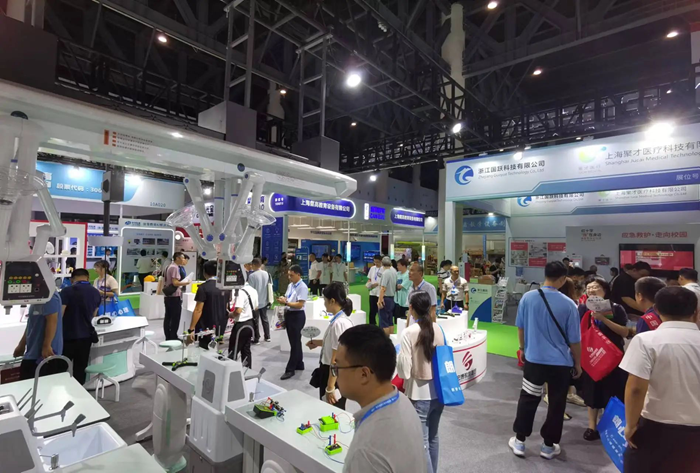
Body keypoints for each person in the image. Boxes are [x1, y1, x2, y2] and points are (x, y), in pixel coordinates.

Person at [620, 286, 700, 473]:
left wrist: (630, 426)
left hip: (656, 428)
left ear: (656, 310)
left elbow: (636, 389)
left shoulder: (646, 340)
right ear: (695, 312)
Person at [510, 261, 582, 460]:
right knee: (557, 404)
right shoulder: (569, 304)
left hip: (534, 360)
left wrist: (522, 349)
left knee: (528, 398)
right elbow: (575, 340)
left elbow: (521, 327)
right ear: (563, 279)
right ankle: (548, 446)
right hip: (561, 364)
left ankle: (520, 441)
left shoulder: (528, 298)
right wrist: (578, 363)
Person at [337, 325, 427, 473]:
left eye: (338, 367)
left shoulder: (366, 453)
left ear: (364, 374)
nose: (336, 374)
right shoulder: (402, 400)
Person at [397, 292, 446, 473]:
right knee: (433, 437)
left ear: (411, 308)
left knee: (421, 442)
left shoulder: (408, 332)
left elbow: (404, 371)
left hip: (419, 394)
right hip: (439, 392)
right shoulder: (438, 329)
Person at [578, 277, 630, 441]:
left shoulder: (616, 308)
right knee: (592, 391)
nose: (591, 290)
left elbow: (625, 332)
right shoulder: (582, 308)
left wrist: (604, 319)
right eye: (588, 287)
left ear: (605, 290)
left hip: (612, 358)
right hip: (592, 356)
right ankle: (591, 427)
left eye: (595, 287)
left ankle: (610, 426)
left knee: (613, 390)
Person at [306, 282, 354, 409]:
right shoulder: (341, 321)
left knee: (332, 410)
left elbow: (335, 359)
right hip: (334, 372)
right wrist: (317, 343)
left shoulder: (339, 323)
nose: (324, 303)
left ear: (332, 301)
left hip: (333, 374)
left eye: (325, 300)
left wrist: (330, 387)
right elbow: (335, 345)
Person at [60, 269, 101, 385]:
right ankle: (78, 391)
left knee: (61, 368)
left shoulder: (66, 291)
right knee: (80, 368)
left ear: (72, 279)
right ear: (87, 278)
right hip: (86, 336)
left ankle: (59, 392)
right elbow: (93, 314)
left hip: (67, 336)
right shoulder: (96, 292)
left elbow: (60, 315)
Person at [14, 290, 64, 380]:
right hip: (32, 352)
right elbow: (31, 324)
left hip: (44, 356)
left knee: (40, 386)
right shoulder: (37, 297)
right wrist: (22, 344)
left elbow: (52, 321)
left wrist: (47, 345)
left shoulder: (50, 296)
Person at [188, 260, 231, 345]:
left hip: (206, 325)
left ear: (204, 272)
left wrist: (191, 329)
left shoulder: (203, 288)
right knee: (216, 347)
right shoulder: (226, 287)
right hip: (221, 324)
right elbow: (226, 306)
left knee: (204, 348)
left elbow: (198, 310)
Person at [277, 265, 308, 380]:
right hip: (289, 314)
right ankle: (299, 363)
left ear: (298, 275)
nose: (289, 277)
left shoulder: (302, 287)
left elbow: (300, 304)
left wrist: (286, 303)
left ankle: (290, 369)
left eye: (292, 275)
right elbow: (288, 298)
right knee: (295, 342)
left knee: (294, 344)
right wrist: (283, 299)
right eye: (289, 275)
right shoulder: (290, 285)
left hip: (297, 316)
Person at [229, 282, 258, 369]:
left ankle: (230, 371)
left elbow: (238, 310)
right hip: (250, 323)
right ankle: (247, 371)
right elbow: (256, 307)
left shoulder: (241, 292)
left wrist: (231, 315)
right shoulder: (253, 290)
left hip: (241, 325)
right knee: (246, 350)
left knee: (233, 351)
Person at [161, 252, 189, 340]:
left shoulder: (169, 266)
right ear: (177, 258)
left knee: (168, 316)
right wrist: (186, 282)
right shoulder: (175, 267)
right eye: (182, 258)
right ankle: (172, 336)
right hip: (174, 296)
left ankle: (169, 336)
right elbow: (175, 283)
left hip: (169, 296)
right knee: (174, 317)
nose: (184, 260)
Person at [247, 258, 272, 343]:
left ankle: (256, 338)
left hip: (255, 303)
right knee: (265, 319)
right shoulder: (266, 274)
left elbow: (250, 290)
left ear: (254, 265)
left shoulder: (252, 276)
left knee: (255, 320)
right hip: (264, 300)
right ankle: (267, 336)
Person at [377, 256, 397, 336]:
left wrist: (380, 300)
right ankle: (391, 338)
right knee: (390, 320)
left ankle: (386, 339)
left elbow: (383, 288)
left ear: (382, 263)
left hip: (385, 298)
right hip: (392, 298)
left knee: (384, 321)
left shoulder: (385, 273)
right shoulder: (394, 272)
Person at [367, 254, 384, 326]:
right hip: (372, 292)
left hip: (380, 292)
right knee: (372, 310)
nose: (376, 263)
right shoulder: (372, 268)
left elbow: (384, 281)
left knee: (380, 311)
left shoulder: (383, 269)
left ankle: (381, 325)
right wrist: (368, 284)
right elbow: (369, 278)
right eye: (375, 262)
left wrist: (377, 284)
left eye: (377, 262)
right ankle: (372, 325)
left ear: (381, 261)